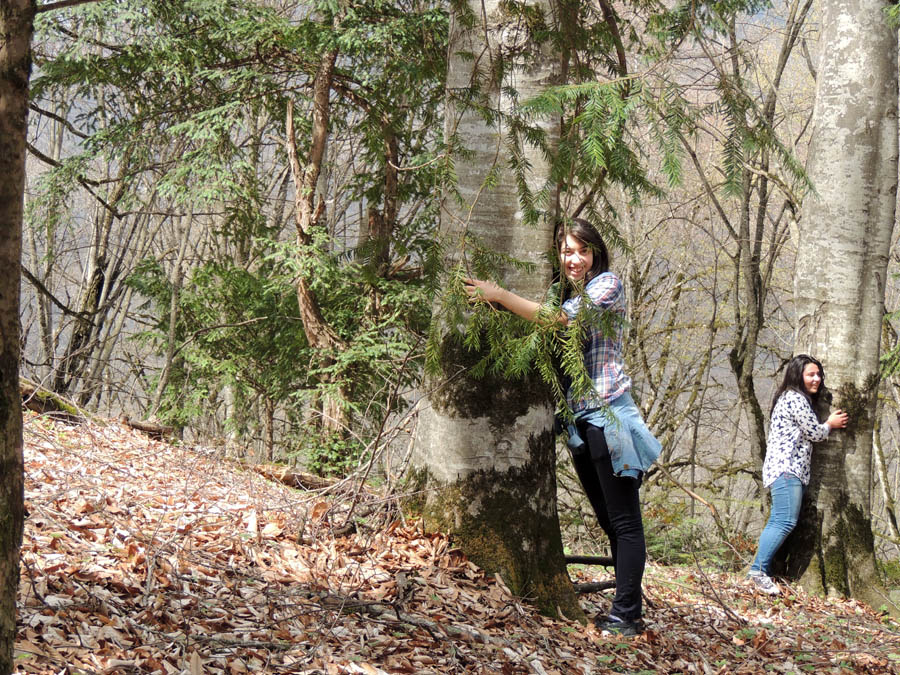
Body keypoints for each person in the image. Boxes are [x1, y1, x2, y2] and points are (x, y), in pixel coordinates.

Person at [464, 218, 660, 636]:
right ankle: (629, 608)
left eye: (582, 251)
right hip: (579, 422)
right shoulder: (569, 289)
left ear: (596, 253)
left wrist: (498, 295)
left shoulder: (608, 285)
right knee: (610, 521)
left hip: (609, 416)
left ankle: (627, 616)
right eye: (567, 251)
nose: (574, 259)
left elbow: (559, 321)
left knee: (625, 522)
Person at [747, 354, 849, 595]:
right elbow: (815, 432)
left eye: (818, 374)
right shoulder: (794, 398)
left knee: (779, 520)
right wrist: (830, 424)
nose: (817, 378)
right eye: (810, 374)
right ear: (798, 376)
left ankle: (761, 570)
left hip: (789, 470)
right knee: (784, 521)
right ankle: (757, 572)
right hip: (786, 470)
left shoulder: (792, 398)